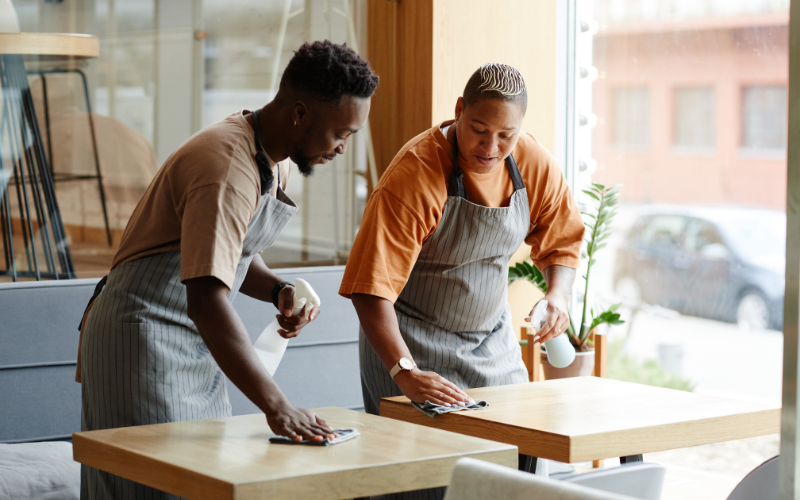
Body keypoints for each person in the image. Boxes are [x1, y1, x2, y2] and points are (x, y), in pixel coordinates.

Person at [78, 40, 378, 499]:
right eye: (342, 134)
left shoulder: (274, 160)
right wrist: (276, 406)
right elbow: (205, 297)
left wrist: (278, 290)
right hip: (141, 339)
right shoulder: (226, 167)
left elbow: (227, 250)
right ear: (300, 114)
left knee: (199, 483)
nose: (341, 149)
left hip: (190, 345)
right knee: (151, 487)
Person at [340, 63, 584, 499]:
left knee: (516, 462)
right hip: (411, 345)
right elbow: (369, 288)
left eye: (506, 135)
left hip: (492, 341)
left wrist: (558, 295)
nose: (491, 147)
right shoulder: (414, 175)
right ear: (458, 112)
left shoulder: (530, 161)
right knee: (424, 480)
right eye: (479, 129)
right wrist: (405, 371)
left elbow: (562, 238)